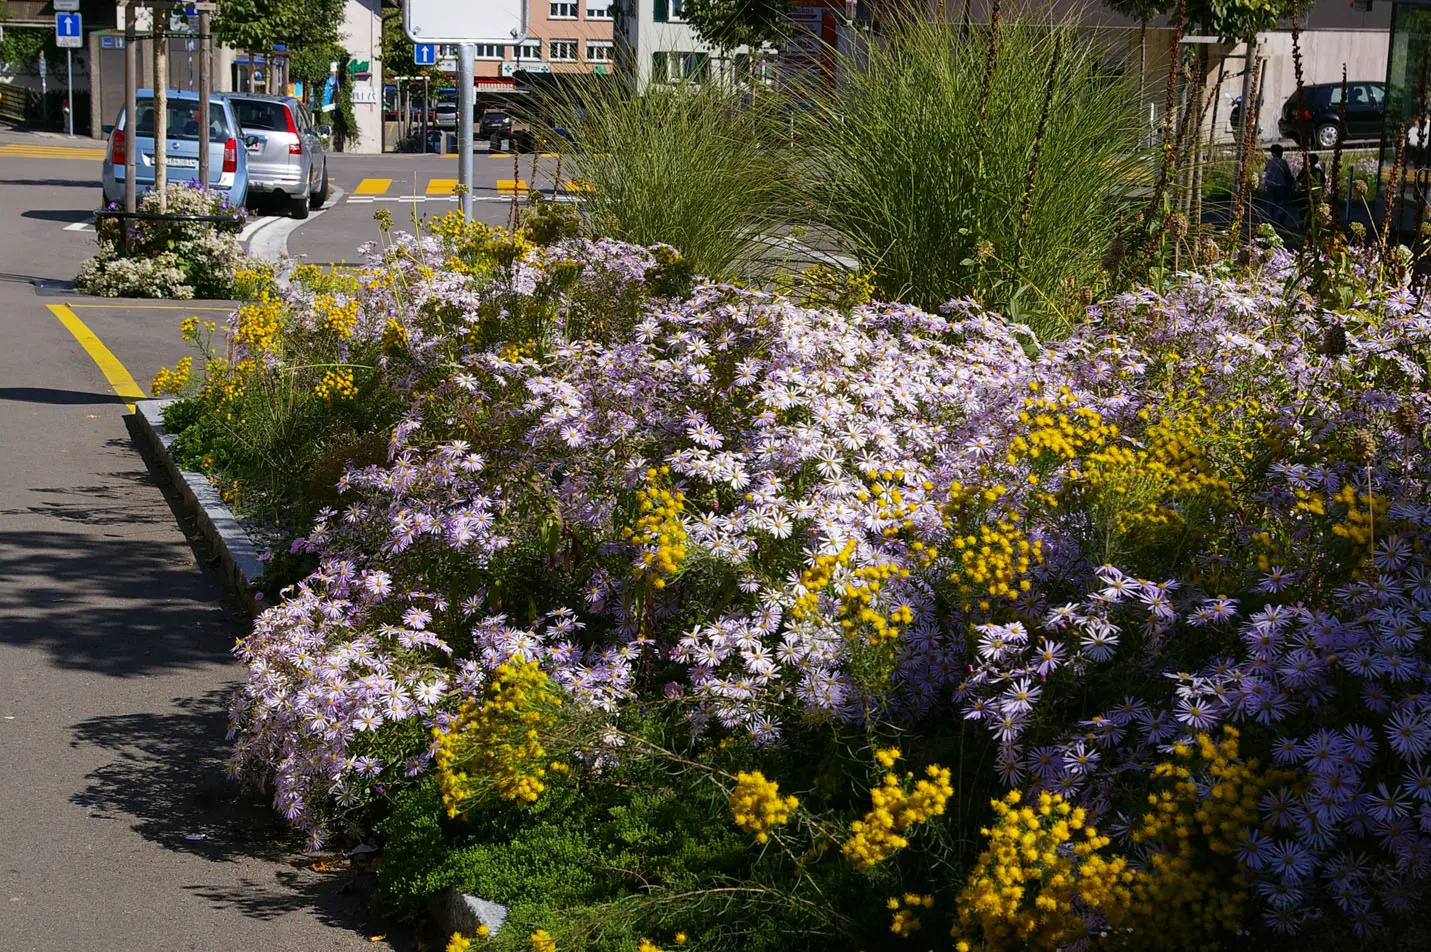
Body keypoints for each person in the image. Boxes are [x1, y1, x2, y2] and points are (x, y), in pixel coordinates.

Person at [1262, 144, 1294, 226]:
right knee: (1281, 204)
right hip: (1281, 185)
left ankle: (1271, 220)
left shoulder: (1269, 162)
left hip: (1270, 186)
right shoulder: (1283, 162)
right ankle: (1281, 220)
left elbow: (1266, 174)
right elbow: (1288, 174)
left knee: (1270, 204)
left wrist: (1264, 184)